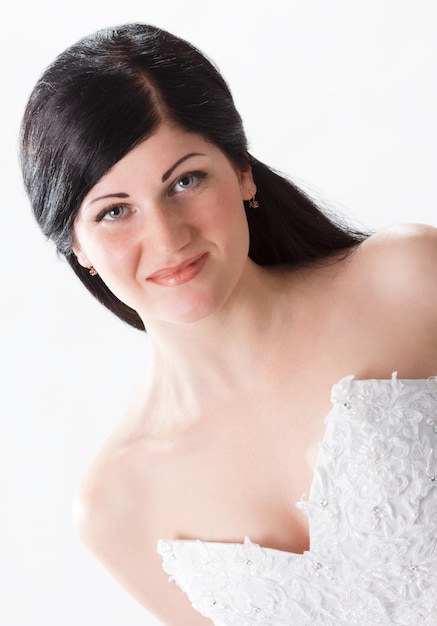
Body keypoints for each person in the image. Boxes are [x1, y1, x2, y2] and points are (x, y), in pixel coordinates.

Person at [20, 23, 437, 626]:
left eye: (185, 181)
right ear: (77, 246)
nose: (167, 238)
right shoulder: (116, 506)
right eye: (114, 212)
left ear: (241, 171)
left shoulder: (407, 280)